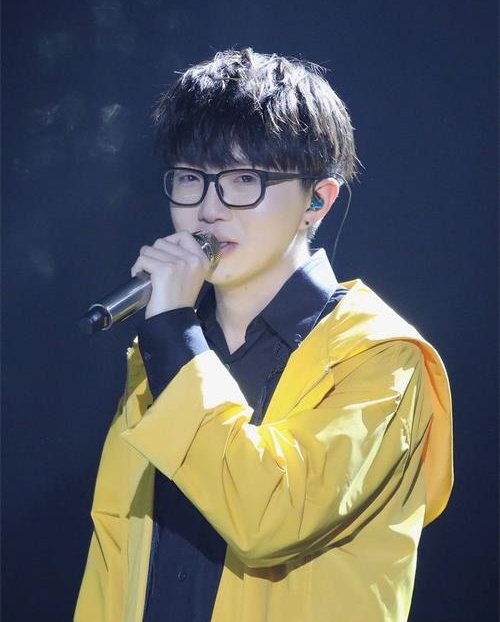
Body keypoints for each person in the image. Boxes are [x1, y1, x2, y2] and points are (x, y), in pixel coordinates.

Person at [74, 48, 453, 622]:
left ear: (317, 201)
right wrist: (170, 337)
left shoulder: (380, 358)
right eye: (190, 178)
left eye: (243, 180)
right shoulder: (158, 355)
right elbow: (113, 559)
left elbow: (269, 517)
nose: (208, 209)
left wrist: (172, 332)